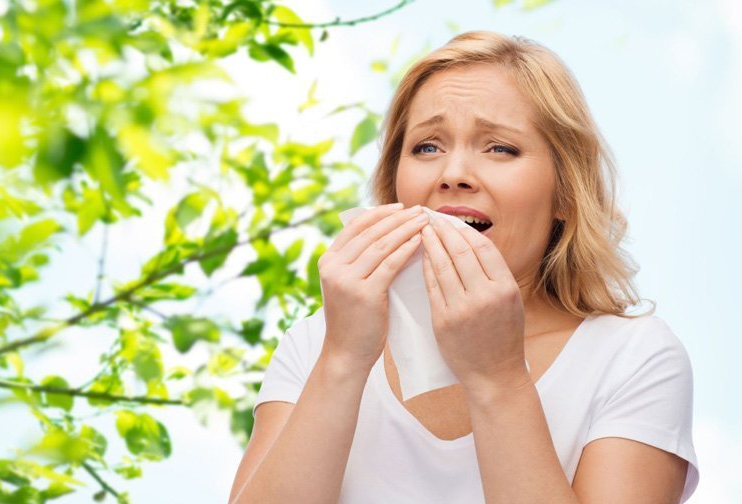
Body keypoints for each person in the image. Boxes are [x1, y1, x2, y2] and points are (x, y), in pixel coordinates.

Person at [228, 31, 699, 503]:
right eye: (428, 147)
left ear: (565, 193)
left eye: (499, 148)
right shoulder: (317, 344)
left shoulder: (634, 357)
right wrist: (344, 359)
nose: (452, 174)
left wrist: (498, 377)